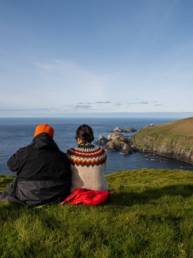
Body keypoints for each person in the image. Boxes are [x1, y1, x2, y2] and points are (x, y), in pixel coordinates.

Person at [0, 124, 71, 206]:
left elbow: (11, 165)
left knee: (13, 184)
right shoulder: (62, 156)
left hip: (27, 195)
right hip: (55, 196)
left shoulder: (24, 152)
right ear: (51, 137)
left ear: (35, 135)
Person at [67, 124, 107, 191]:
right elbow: (103, 169)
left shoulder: (70, 153)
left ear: (78, 138)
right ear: (92, 137)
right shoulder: (101, 152)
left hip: (77, 191)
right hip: (100, 191)